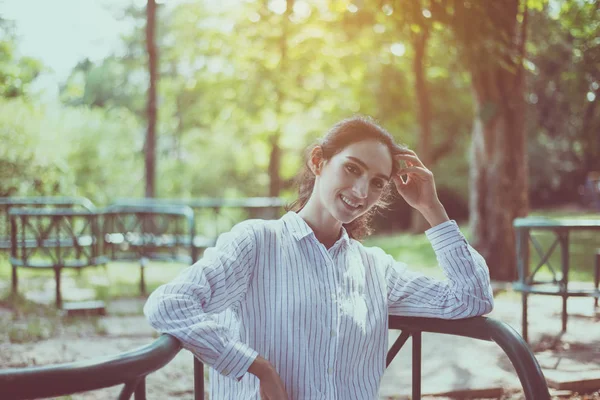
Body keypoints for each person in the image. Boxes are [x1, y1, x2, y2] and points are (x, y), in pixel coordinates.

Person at [144, 116, 494, 400]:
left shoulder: (375, 268)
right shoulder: (257, 243)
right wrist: (256, 367)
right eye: (352, 169)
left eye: (376, 183)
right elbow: (170, 304)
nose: (361, 192)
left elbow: (472, 298)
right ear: (318, 161)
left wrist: (432, 208)